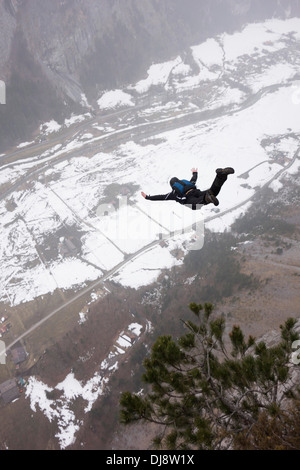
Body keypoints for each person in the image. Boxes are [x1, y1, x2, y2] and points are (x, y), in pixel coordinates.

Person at [141, 167, 235, 210]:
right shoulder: (188, 183)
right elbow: (194, 179)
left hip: (189, 198)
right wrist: (195, 173)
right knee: (213, 191)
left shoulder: (173, 193)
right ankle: (220, 176)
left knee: (195, 206)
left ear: (172, 185)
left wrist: (148, 197)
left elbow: (161, 197)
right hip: (197, 192)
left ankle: (207, 199)